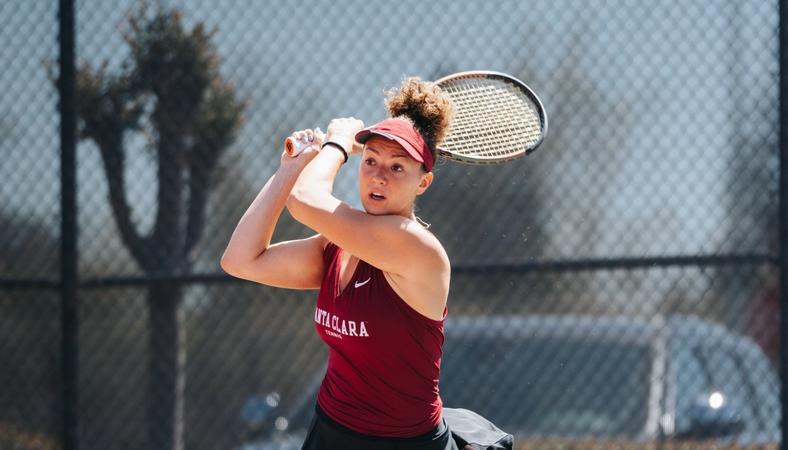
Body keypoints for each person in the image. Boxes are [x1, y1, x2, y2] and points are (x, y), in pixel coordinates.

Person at [221, 77, 461, 450]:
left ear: (423, 183)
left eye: (397, 167)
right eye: (371, 160)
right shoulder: (336, 246)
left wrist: (337, 144)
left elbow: (305, 201)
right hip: (330, 431)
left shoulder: (416, 247)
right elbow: (241, 260)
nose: (379, 176)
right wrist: (289, 169)